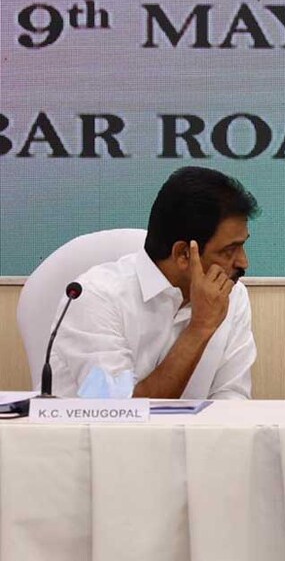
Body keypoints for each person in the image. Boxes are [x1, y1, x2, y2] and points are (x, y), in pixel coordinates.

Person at [49, 166, 259, 399]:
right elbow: (117, 412)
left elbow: (232, 397)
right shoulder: (95, 296)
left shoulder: (232, 295)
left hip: (195, 436)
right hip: (95, 436)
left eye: (242, 246)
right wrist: (200, 328)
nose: (243, 262)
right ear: (183, 254)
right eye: (229, 251)